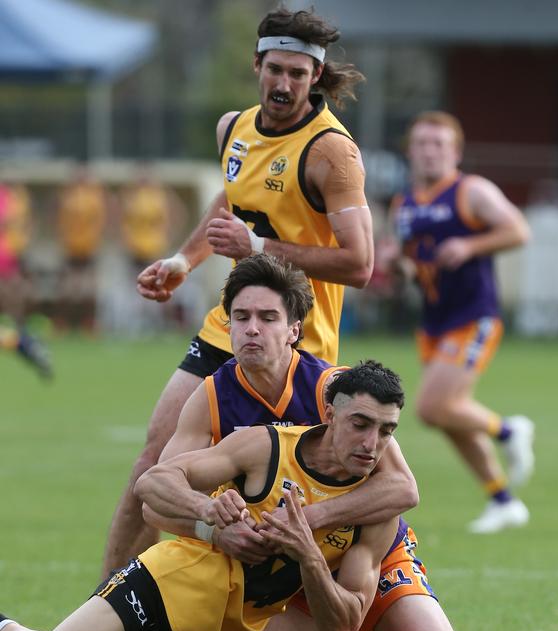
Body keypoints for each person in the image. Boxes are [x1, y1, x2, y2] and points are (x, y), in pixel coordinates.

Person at [2, 255, 558, 631]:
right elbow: (158, 493)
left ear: (295, 329)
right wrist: (214, 523)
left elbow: (402, 489)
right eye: (242, 318)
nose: (253, 330)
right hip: (277, 572)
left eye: (268, 318)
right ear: (227, 326)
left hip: (359, 550)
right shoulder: (214, 400)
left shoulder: (339, 391)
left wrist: (308, 526)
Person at [102, 6, 372, 577]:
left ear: (315, 77)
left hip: (297, 346)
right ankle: (105, 604)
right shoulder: (234, 128)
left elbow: (360, 263)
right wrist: (184, 258)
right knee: (153, 461)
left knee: (279, 498)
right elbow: (230, 204)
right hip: (231, 323)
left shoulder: (331, 153)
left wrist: (257, 249)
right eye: (276, 69)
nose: (284, 84)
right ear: (257, 65)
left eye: (298, 75)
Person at [0, 361, 405, 631]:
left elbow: (341, 626)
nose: (372, 444)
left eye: (386, 431)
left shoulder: (374, 511)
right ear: (331, 414)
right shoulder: (267, 447)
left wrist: (310, 557)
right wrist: (207, 511)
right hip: (157, 590)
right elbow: (154, 482)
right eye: (360, 424)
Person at [390, 111, 533, 534]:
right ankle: (502, 499)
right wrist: (396, 267)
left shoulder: (471, 191)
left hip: (473, 316)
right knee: (446, 416)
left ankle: (508, 430)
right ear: (410, 151)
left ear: (456, 151)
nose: (429, 151)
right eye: (421, 143)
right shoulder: (405, 203)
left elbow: (518, 230)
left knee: (432, 407)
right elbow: (409, 258)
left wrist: (470, 245)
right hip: (434, 320)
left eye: (439, 144)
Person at [0, 181, 52, 378]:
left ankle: (25, 342)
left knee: (15, 293)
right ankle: (26, 344)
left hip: (6, 258)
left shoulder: (8, 195)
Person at [54, 164, 108, 331]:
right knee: (67, 289)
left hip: (89, 248)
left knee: (89, 289)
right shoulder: (66, 195)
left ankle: (89, 323)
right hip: (71, 248)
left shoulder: (96, 195)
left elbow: (103, 219)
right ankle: (63, 323)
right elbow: (56, 215)